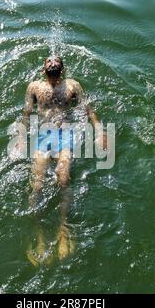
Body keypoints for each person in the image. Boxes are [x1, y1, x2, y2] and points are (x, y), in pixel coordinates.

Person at [20, 56, 106, 266]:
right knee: (37, 183)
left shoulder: (73, 86)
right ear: (43, 69)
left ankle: (63, 229)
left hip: (65, 134)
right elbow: (26, 112)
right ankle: (39, 235)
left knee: (64, 177)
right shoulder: (34, 87)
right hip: (42, 134)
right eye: (49, 61)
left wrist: (100, 131)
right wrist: (21, 137)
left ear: (62, 68)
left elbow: (88, 110)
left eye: (56, 60)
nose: (52, 62)